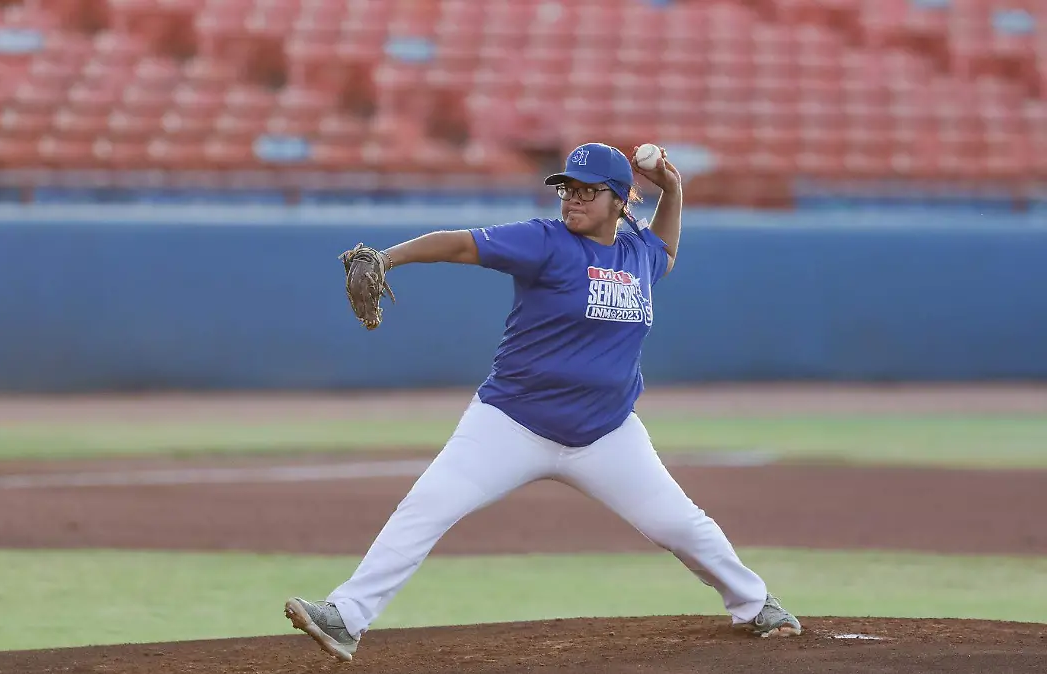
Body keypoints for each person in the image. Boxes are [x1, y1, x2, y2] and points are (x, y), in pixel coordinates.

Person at [284, 142, 802, 662]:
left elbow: (666, 252)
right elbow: (460, 245)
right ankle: (346, 615)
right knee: (426, 507)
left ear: (620, 200)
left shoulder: (638, 251)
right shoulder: (544, 241)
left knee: (680, 524)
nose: (571, 199)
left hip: (607, 434)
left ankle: (756, 605)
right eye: (566, 189)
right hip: (511, 423)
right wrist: (387, 258)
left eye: (586, 191)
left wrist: (674, 188)